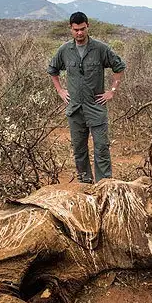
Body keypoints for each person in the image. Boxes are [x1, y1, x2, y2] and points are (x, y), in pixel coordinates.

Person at [48, 11, 126, 184]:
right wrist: (60, 90)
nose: (80, 33)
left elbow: (119, 68)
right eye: (76, 30)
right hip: (75, 108)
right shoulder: (65, 50)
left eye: (82, 29)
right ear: (71, 29)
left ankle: (104, 185)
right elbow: (52, 70)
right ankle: (85, 184)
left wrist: (112, 91)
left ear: (88, 26)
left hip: (95, 107)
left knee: (101, 148)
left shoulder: (100, 49)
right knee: (79, 149)